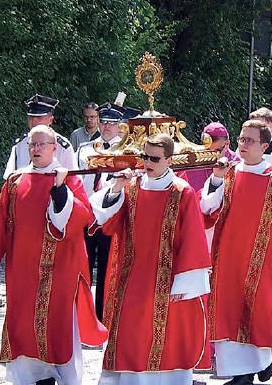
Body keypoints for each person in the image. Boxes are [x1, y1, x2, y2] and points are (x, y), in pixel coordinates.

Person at [0, 124, 107, 385]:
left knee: (59, 325)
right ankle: (30, 378)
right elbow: (0, 222)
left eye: (41, 145)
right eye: (32, 145)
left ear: (54, 148)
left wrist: (60, 190)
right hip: (22, 270)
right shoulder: (14, 182)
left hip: (61, 269)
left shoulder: (69, 178)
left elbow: (82, 217)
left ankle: (65, 376)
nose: (35, 149)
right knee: (22, 323)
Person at [89, 132, 211, 384]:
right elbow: (107, 222)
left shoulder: (181, 192)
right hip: (131, 277)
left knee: (166, 339)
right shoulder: (132, 187)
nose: (148, 163)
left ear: (169, 159)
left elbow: (193, 239)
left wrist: (185, 283)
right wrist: (116, 188)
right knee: (130, 335)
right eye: (145, 156)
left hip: (167, 280)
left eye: (154, 158)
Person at [201, 119, 272, 385]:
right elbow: (208, 208)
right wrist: (215, 179)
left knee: (259, 314)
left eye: (249, 141)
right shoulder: (230, 173)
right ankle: (240, 372)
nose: (242, 145)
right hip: (228, 258)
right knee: (228, 312)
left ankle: (262, 360)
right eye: (241, 139)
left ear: (264, 145)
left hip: (263, 261)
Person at [76, 102, 125, 321]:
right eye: (104, 122)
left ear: (119, 126)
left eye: (112, 123)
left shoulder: (126, 151)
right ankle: (82, 315)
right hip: (86, 216)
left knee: (107, 268)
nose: (107, 127)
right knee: (82, 267)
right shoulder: (86, 149)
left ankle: (103, 316)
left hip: (110, 217)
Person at [4, 94, 77, 179]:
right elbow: (10, 178)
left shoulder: (63, 146)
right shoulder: (19, 144)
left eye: (39, 117)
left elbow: (73, 179)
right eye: (31, 117)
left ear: (50, 120)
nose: (34, 121)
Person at [184, 122, 241, 192]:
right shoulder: (194, 161)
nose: (212, 155)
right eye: (208, 150)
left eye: (217, 151)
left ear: (227, 144)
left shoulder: (236, 163)